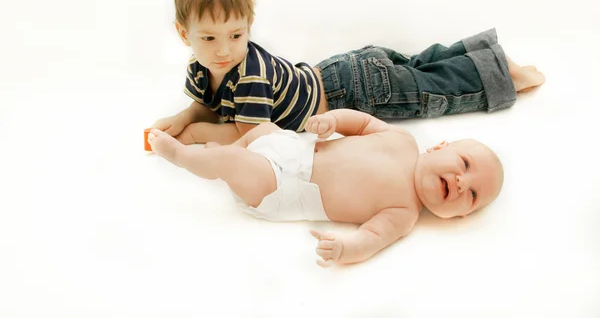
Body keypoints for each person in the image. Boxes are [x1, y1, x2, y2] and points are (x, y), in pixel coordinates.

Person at [150, 0, 545, 145]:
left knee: (432, 93)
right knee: (418, 67)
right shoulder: (200, 68)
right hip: (341, 71)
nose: (224, 50)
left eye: (236, 35)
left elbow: (251, 137)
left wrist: (192, 135)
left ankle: (505, 74)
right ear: (184, 34)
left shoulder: (249, 71)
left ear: (249, 26)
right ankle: (483, 51)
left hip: (354, 92)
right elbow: (207, 105)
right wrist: (183, 116)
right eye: (209, 39)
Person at [147, 108, 504, 267]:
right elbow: (361, 122)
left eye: (472, 195)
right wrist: (331, 120)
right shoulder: (402, 139)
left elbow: (370, 240)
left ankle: (182, 156)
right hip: (291, 145)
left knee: (235, 165)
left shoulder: (404, 214)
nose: (461, 182)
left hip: (281, 189)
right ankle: (222, 154)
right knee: (261, 129)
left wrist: (345, 250)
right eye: (465, 165)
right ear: (440, 146)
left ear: (458, 215)